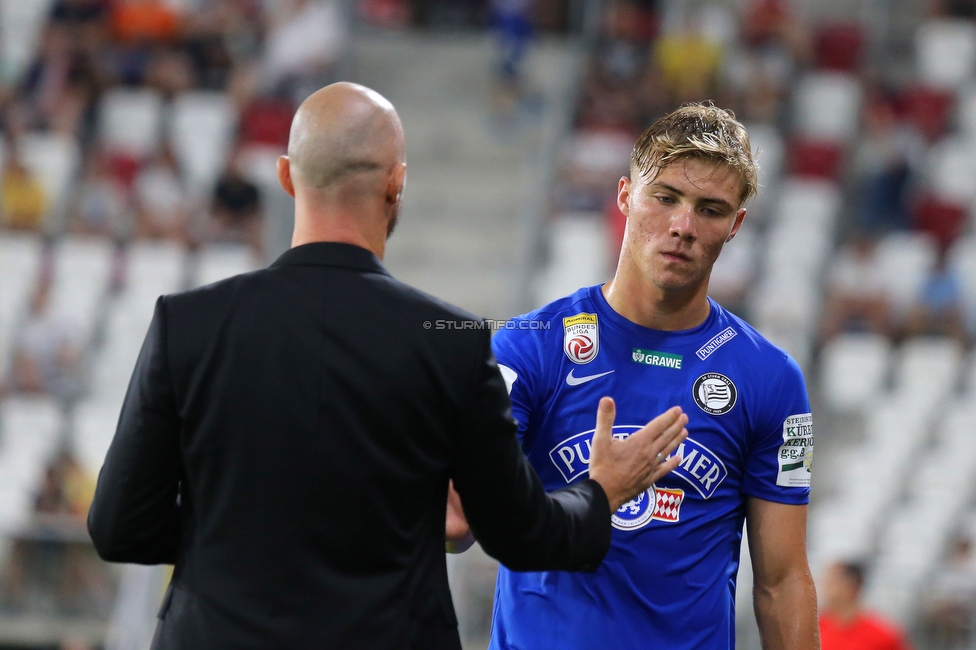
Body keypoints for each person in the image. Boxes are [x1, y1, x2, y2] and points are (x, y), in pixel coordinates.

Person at [86, 82, 689, 650]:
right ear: (397, 183)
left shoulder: (187, 323)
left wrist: (235, 529)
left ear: (286, 177)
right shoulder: (449, 342)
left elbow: (119, 527)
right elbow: (520, 533)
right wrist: (600, 492)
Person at [449, 103, 818, 649]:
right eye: (665, 197)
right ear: (625, 196)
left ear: (736, 225)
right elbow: (456, 526)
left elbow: (783, 583)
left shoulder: (773, 381)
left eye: (710, 209)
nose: (683, 227)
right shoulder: (529, 348)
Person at [819, 561, 912, 650]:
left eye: (832, 581)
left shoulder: (883, 634)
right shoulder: (815, 629)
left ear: (853, 585)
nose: (825, 587)